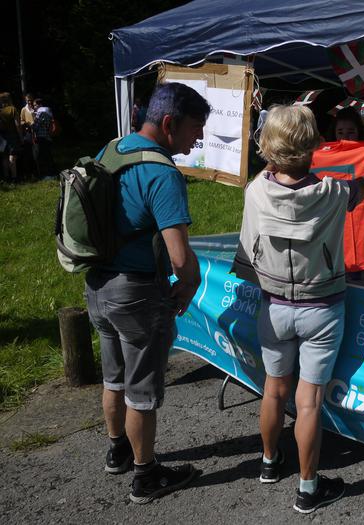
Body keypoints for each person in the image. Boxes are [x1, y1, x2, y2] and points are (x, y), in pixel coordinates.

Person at [233, 104, 364, 513]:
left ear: (268, 146)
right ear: (315, 145)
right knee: (309, 402)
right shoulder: (333, 192)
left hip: (274, 305)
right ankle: (307, 487)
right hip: (322, 308)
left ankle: (269, 463)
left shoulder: (255, 190)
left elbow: (248, 248)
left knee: (273, 388)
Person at [84, 82, 209, 504]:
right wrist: (189, 284)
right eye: (195, 127)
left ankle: (117, 450)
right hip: (137, 292)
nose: (199, 138)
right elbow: (179, 256)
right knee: (141, 391)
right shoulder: (163, 173)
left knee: (113, 378)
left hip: (97, 286)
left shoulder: (112, 149)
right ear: (170, 123)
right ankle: (146, 475)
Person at [31, 98, 56, 180]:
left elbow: (36, 126)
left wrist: (30, 123)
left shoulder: (40, 112)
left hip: (41, 137)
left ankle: (48, 175)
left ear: (40, 105)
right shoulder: (48, 111)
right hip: (48, 136)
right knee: (48, 155)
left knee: (43, 156)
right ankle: (53, 173)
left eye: (35, 105)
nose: (34, 107)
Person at [0, 92, 21, 182]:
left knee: (4, 157)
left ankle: (6, 177)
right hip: (12, 135)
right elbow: (17, 125)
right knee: (12, 156)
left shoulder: (0, 111)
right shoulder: (13, 109)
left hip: (2, 137)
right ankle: (14, 178)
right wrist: (20, 136)